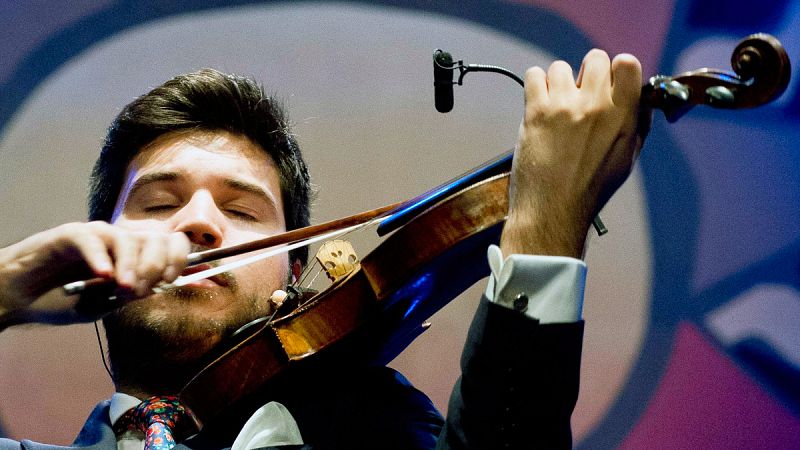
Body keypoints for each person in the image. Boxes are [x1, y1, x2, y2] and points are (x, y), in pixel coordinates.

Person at [0, 48, 645, 449]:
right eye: (159, 204)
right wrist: (7, 288)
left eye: (242, 209)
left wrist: (545, 226)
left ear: (293, 270)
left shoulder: (373, 426)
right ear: (98, 251)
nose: (198, 223)